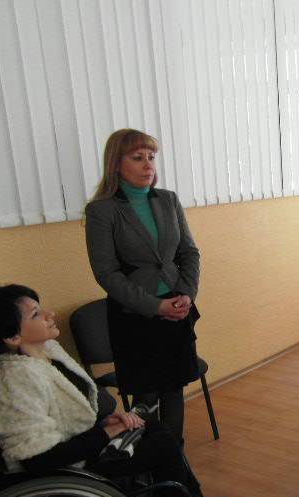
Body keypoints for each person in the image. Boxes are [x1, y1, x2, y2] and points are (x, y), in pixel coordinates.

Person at [0, 284, 229, 497]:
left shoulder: (49, 352)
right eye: (35, 314)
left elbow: (73, 409)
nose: (49, 314)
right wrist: (105, 433)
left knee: (156, 429)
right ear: (12, 337)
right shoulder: (15, 381)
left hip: (81, 441)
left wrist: (105, 422)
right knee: (162, 445)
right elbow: (37, 457)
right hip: (64, 468)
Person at [85, 129, 201, 443]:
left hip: (177, 308)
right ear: (116, 163)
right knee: (146, 395)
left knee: (173, 388)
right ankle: (145, 457)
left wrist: (186, 294)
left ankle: (173, 455)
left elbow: (189, 252)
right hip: (135, 315)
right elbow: (106, 273)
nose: (148, 164)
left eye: (151, 157)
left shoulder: (168, 199)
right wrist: (156, 305)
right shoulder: (102, 210)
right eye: (138, 157)